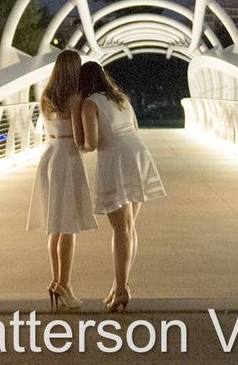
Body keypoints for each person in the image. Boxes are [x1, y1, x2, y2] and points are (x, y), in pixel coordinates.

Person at [78, 60, 164, 313]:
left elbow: (91, 144)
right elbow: (135, 128)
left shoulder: (89, 104)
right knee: (129, 227)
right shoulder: (121, 99)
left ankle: (122, 289)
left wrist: (76, 145)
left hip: (115, 160)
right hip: (137, 154)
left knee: (120, 229)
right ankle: (119, 287)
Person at [26, 49, 94, 310]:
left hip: (49, 155)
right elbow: (79, 139)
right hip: (67, 157)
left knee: (55, 226)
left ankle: (57, 282)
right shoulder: (76, 98)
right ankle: (64, 284)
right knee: (68, 227)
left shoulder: (46, 97)